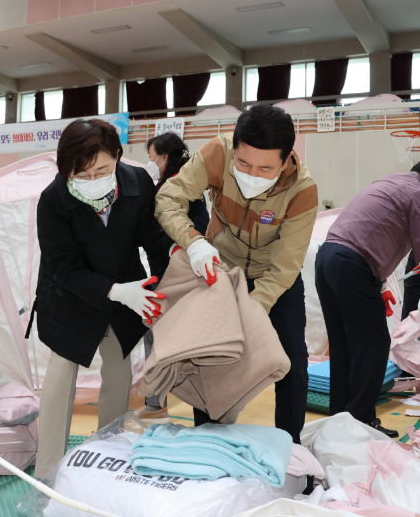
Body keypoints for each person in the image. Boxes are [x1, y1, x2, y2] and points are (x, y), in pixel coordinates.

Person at [155, 104, 318, 444]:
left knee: (292, 362)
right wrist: (195, 243)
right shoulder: (217, 152)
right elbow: (169, 199)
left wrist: (250, 310)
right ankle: (209, 439)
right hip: (219, 269)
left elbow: (285, 266)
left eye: (265, 168)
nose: (252, 174)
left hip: (274, 277)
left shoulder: (302, 190)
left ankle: (290, 446)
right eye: (243, 164)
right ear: (235, 148)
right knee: (210, 355)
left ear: (286, 159)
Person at [32, 119, 177, 478]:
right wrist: (114, 290)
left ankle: (105, 457)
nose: (93, 179)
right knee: (61, 375)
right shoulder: (53, 200)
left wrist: (178, 248)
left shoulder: (138, 182)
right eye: (81, 174)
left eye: (102, 169)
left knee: (118, 368)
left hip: (123, 291)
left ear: (117, 156)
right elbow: (64, 267)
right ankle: (48, 472)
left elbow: (149, 232)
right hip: (70, 294)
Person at [315, 162, 420, 437]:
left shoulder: (390, 183)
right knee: (374, 344)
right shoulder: (418, 192)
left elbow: (373, 232)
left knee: (344, 347)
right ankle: (361, 421)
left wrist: (380, 284)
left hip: (327, 258)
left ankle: (340, 421)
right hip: (353, 265)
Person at [134, 132, 209, 423]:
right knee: (161, 340)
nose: (150, 163)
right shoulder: (179, 183)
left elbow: (194, 229)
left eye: (152, 157)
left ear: (164, 157)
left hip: (177, 276)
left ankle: (161, 406)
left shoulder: (177, 186)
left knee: (174, 343)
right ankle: (157, 405)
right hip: (170, 274)